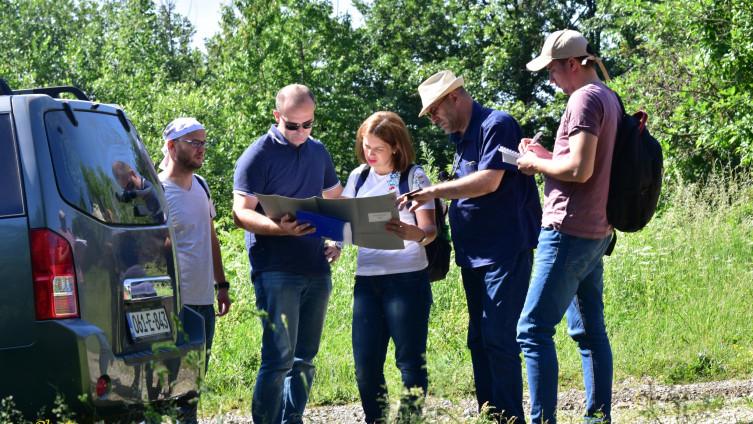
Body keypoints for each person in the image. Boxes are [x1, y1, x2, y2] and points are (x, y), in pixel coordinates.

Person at [399, 71, 542, 423]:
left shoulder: (498, 124)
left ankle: (510, 418)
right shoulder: (462, 139)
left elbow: (490, 181)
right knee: (478, 339)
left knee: (498, 336)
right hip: (474, 254)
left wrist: (434, 191)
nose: (433, 119)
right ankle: (490, 415)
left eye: (434, 110)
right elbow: (468, 190)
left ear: (454, 97)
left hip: (504, 250)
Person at [515, 29, 621, 424]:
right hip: (595, 230)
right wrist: (546, 154)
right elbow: (581, 162)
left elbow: (578, 169)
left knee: (532, 330)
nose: (550, 79)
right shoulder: (608, 97)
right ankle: (597, 419)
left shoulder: (583, 99)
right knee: (589, 332)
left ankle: (542, 420)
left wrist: (533, 164)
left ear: (573, 64)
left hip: (567, 230)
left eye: (552, 71)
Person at [232, 84, 343, 424]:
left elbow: (335, 199)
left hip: (315, 267)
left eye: (307, 124)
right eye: (292, 125)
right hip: (275, 268)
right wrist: (281, 228)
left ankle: (292, 419)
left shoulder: (318, 151)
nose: (300, 132)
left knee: (305, 358)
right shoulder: (257, 154)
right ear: (276, 116)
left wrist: (336, 240)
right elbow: (240, 213)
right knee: (279, 358)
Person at [342, 111, 437, 424]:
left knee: (409, 362)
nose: (369, 154)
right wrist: (333, 243)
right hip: (367, 282)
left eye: (377, 148)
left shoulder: (415, 176)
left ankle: (409, 421)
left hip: (408, 279)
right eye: (366, 146)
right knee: (365, 365)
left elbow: (430, 230)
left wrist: (413, 234)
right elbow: (345, 224)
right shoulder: (358, 177)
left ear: (396, 147)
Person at [158, 117, 232, 423]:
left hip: (203, 300)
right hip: (175, 303)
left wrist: (222, 284)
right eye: (194, 143)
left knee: (196, 377)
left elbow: (210, 235)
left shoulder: (202, 186)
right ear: (172, 147)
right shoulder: (157, 191)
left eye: (203, 143)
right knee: (175, 381)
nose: (201, 149)